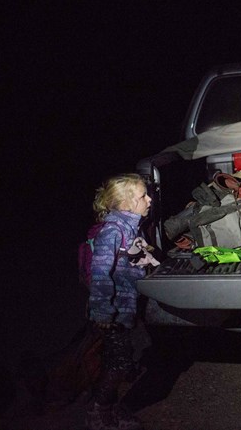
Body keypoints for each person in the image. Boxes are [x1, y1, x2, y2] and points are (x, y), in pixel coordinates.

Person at [86, 173, 156, 430]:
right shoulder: (112, 232)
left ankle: (114, 409)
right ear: (126, 204)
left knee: (131, 356)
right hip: (113, 312)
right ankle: (98, 411)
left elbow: (136, 263)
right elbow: (100, 274)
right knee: (119, 363)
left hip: (128, 308)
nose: (149, 199)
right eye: (142, 196)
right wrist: (103, 312)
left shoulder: (131, 228)